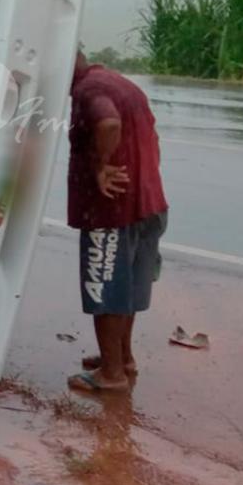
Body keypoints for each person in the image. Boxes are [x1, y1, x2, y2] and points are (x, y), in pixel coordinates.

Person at [66, 51, 168, 393]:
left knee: (107, 288)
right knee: (129, 288)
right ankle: (122, 357)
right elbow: (154, 138)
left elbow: (108, 123)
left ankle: (111, 374)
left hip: (113, 210)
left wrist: (100, 166)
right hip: (150, 203)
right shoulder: (120, 83)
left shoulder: (88, 91)